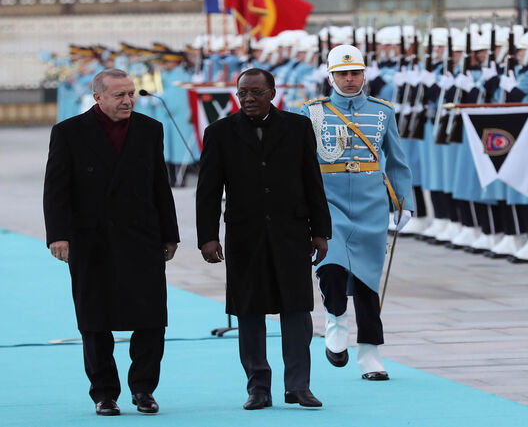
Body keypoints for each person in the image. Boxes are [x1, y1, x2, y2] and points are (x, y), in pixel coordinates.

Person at [43, 68, 180, 416]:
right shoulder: (69, 133)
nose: (128, 100)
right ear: (98, 98)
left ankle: (144, 389)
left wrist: (169, 233)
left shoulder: (150, 130)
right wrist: (58, 235)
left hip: (141, 237)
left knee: (151, 318)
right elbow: (56, 189)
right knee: (95, 319)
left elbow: (159, 186)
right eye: (119, 95)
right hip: (91, 239)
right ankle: (104, 393)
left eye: (131, 93)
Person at [195, 67, 331, 410]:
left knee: (297, 312)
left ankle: (298, 386)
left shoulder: (298, 128)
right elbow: (207, 191)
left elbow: (312, 181)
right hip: (245, 235)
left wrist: (321, 231)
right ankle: (258, 387)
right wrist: (207, 237)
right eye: (242, 94)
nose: (249, 99)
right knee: (250, 312)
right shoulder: (220, 132)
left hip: (291, 233)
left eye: (256, 92)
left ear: (272, 92)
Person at [299, 44, 414, 381]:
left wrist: (404, 202)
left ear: (364, 74)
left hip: (369, 202)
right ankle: (335, 319)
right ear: (331, 76)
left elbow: (397, 160)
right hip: (328, 200)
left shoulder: (382, 112)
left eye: (356, 73)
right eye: (343, 74)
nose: (350, 80)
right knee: (331, 266)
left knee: (366, 281)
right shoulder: (312, 112)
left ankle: (370, 352)